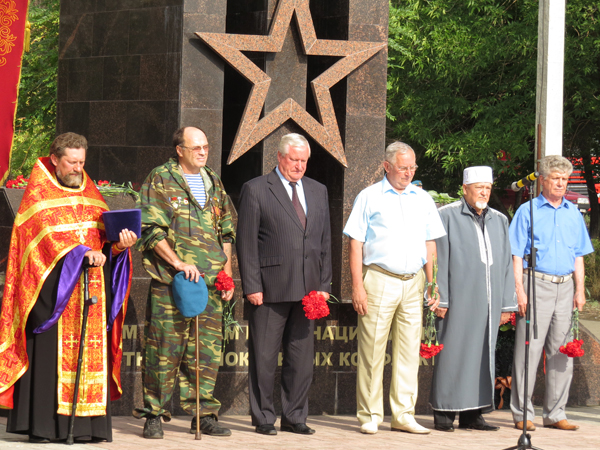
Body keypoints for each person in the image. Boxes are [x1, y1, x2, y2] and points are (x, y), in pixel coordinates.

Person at [0, 132, 136, 443]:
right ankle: (46, 427)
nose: (77, 168)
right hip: (52, 299)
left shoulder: (92, 197)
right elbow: (40, 247)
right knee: (50, 361)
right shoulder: (38, 199)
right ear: (55, 160)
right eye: (71, 162)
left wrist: (118, 248)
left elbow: (105, 242)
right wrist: (78, 253)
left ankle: (88, 428)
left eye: (82, 162)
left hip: (91, 295)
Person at [133, 127, 235, 438]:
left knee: (205, 353)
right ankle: (153, 413)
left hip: (209, 284)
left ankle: (203, 414)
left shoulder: (213, 181)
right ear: (179, 149)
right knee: (164, 349)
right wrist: (178, 263)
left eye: (205, 147)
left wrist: (226, 273)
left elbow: (226, 231)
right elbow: (150, 229)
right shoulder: (161, 178)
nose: (203, 153)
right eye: (196, 148)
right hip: (172, 281)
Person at [344, 141, 445, 435]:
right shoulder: (369, 196)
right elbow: (355, 242)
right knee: (372, 349)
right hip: (379, 279)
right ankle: (370, 414)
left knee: (408, 352)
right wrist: (357, 286)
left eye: (412, 167)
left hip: (414, 282)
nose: (408, 173)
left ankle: (403, 414)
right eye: (403, 168)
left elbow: (430, 242)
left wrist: (433, 282)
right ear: (387, 166)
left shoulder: (422, 198)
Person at [236, 133, 332, 436]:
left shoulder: (318, 191)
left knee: (301, 359)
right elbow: (246, 242)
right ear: (279, 158)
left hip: (309, 290)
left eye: (304, 161)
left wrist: (325, 284)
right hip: (269, 289)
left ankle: (295, 416)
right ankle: (264, 416)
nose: (299, 166)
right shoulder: (256, 189)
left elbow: (324, 241)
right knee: (264, 358)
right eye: (294, 160)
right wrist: (252, 285)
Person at [429, 166, 517, 432]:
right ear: (465, 188)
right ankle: (444, 413)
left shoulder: (500, 220)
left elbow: (505, 264)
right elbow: (438, 259)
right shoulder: (446, 216)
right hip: (456, 299)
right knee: (453, 353)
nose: (484, 192)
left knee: (482, 354)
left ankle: (473, 414)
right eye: (478, 187)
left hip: (490, 302)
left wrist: (506, 303)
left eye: (488, 188)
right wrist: (439, 296)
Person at [510, 155, 593, 431]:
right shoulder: (528, 210)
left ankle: (556, 413)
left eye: (565, 179)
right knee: (530, 351)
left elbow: (578, 255)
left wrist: (580, 291)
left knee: (561, 353)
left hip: (566, 286)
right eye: (555, 178)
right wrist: (519, 290)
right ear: (543, 180)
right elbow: (516, 255)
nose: (560, 183)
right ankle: (523, 413)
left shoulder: (573, 212)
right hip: (536, 284)